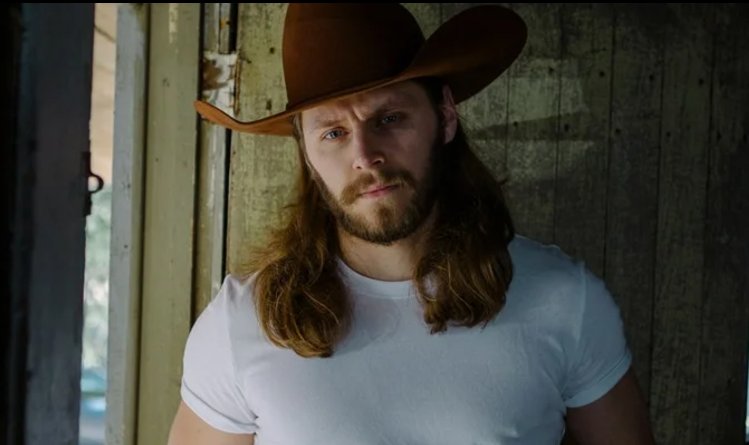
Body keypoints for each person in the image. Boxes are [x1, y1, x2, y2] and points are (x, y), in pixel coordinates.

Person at [168, 4, 655, 444]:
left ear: (444, 116)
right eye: (334, 132)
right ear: (306, 153)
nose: (365, 156)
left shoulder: (566, 301)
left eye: (390, 118)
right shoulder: (242, 323)